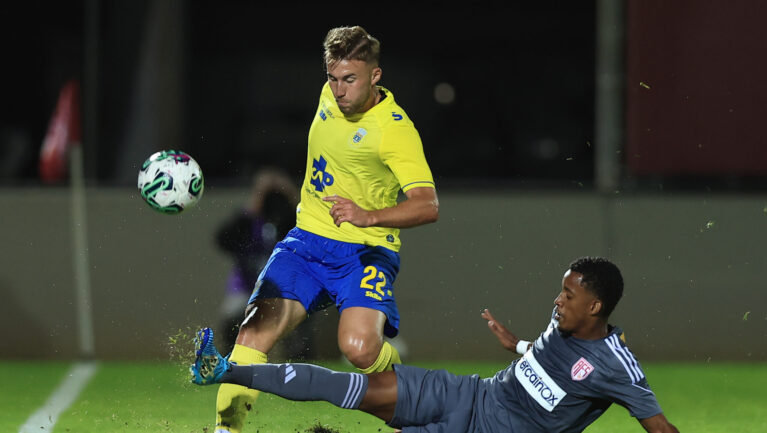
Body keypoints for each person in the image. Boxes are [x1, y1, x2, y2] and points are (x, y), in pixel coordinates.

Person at [212, 26, 439, 433]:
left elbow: (427, 205)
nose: (339, 90)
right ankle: (226, 431)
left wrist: (369, 215)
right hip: (306, 243)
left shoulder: (395, 130)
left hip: (365, 250)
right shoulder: (328, 96)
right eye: (332, 78)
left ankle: (409, 392)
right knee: (251, 335)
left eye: (350, 80)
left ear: (375, 76)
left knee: (358, 348)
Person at [191, 257, 679, 433]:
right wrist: (519, 345)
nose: (557, 301)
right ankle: (225, 370)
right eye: (560, 290)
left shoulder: (617, 366)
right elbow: (550, 364)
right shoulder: (567, 326)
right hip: (470, 395)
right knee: (354, 388)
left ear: (595, 308)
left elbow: (659, 427)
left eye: (568, 296)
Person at [214, 168, 299, 354]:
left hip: (283, 290)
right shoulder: (247, 221)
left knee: (299, 323)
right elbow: (222, 240)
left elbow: (306, 231)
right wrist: (253, 206)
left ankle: (297, 363)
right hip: (245, 287)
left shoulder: (288, 220)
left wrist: (291, 197)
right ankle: (231, 360)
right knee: (232, 317)